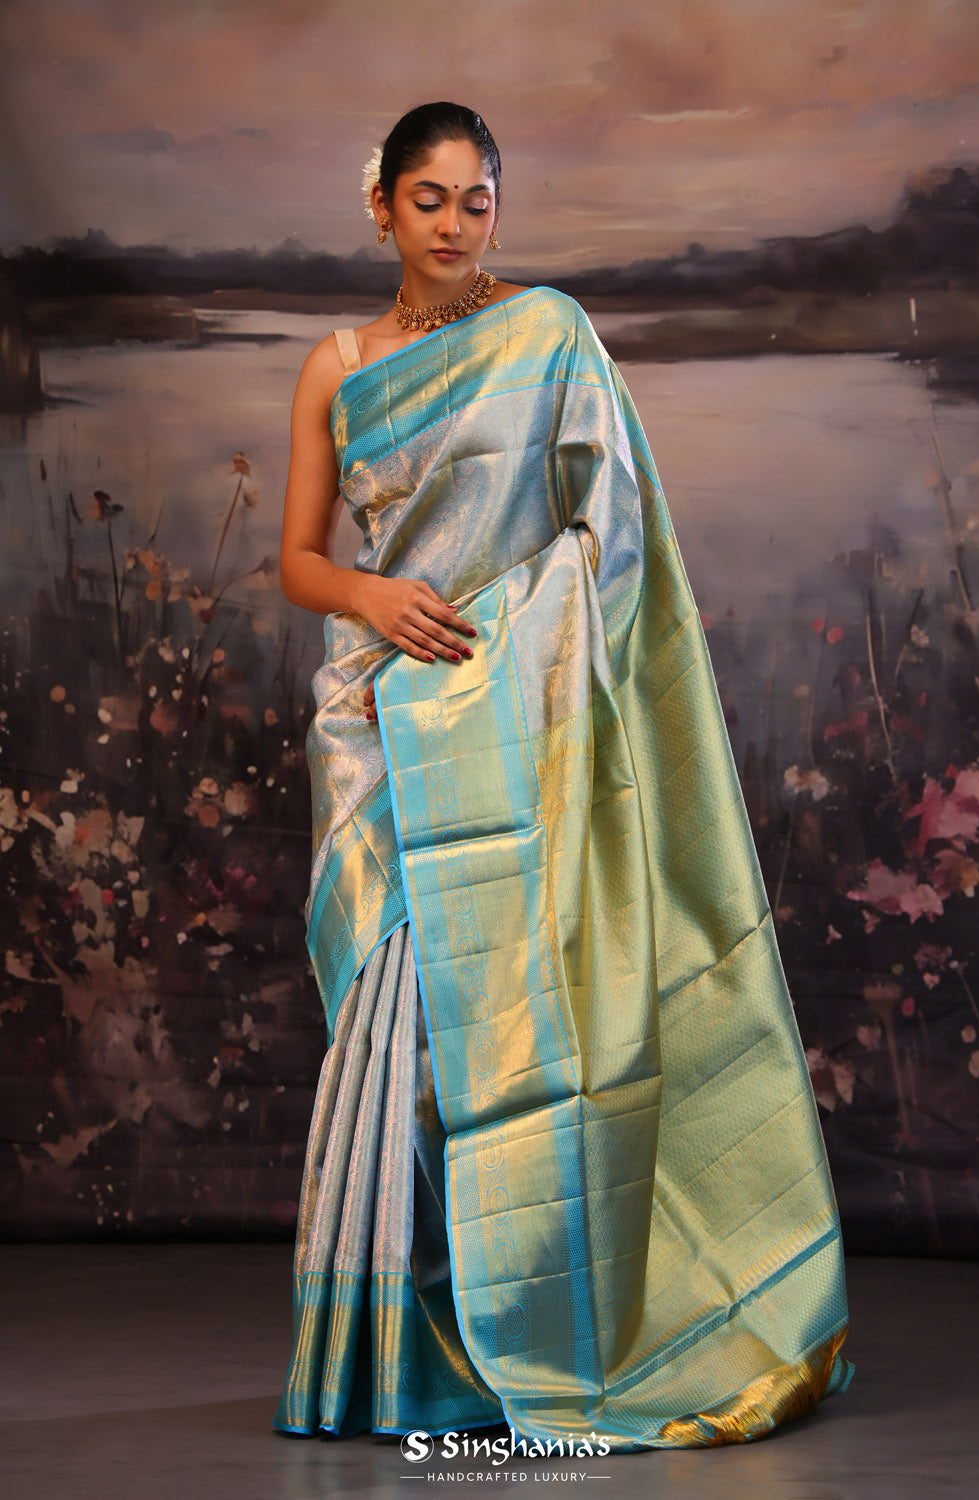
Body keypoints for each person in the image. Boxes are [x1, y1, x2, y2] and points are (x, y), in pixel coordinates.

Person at [272, 100, 855, 1453]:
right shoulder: (336, 366)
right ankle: (401, 1362)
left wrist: (514, 642)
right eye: (429, 199)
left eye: (478, 200)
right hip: (380, 720)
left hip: (518, 718)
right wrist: (374, 595)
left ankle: (530, 1340)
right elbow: (297, 559)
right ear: (381, 205)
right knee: (403, 1026)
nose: (455, 225)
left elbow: (616, 532)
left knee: (519, 1022)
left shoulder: (547, 336)